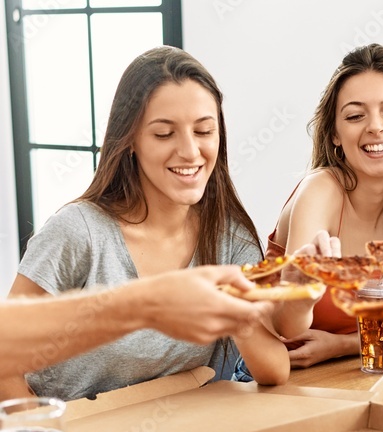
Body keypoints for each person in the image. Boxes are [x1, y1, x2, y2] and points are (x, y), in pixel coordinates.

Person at [2, 46, 292, 401]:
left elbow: (275, 371)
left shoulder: (229, 239)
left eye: (204, 131)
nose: (189, 151)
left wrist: (238, 308)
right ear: (130, 142)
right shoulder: (79, 232)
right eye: (164, 134)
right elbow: (5, 359)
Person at [261, 43, 383, 370]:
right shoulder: (320, 192)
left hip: (354, 372)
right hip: (279, 375)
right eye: (356, 115)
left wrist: (341, 346)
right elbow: (287, 329)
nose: (375, 127)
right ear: (334, 133)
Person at [0, 266, 271, 378]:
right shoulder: (78, 226)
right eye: (163, 138)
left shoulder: (230, 233)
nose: (189, 153)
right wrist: (149, 303)